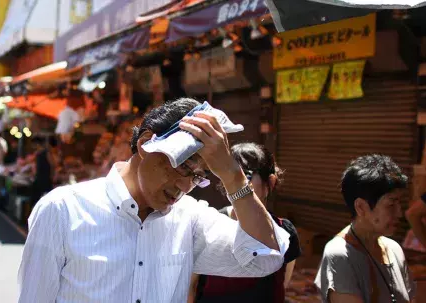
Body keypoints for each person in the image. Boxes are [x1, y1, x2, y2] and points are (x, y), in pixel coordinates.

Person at [17, 98, 290, 302]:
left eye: (198, 176)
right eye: (182, 166)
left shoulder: (190, 219)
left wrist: (233, 176)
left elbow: (267, 258)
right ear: (145, 144)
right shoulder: (63, 210)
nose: (185, 186)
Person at [187, 143, 301, 303]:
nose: (236, 182)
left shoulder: (284, 231)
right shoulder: (208, 224)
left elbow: (281, 283)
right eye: (230, 175)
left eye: (244, 176)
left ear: (271, 182)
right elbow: (190, 287)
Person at [314, 154, 416, 303]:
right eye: (391, 204)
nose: (400, 213)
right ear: (361, 207)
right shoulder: (339, 255)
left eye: (400, 203)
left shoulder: (394, 249)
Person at [30, 137, 55, 208]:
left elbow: (53, 164)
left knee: (44, 198)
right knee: (36, 198)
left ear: (37, 144)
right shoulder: (38, 153)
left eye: (33, 145)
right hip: (39, 178)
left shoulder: (46, 152)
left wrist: (52, 176)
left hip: (45, 178)